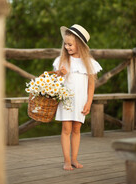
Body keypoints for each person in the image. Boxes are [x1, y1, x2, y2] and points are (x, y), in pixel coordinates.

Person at [53, 24, 102, 171]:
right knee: (66, 129)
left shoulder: (89, 63)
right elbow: (55, 81)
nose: (67, 47)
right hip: (66, 101)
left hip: (80, 101)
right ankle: (67, 160)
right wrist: (60, 74)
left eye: (70, 44)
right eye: (66, 44)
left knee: (76, 129)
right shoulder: (62, 61)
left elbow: (91, 86)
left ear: (79, 44)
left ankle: (74, 158)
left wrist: (89, 102)